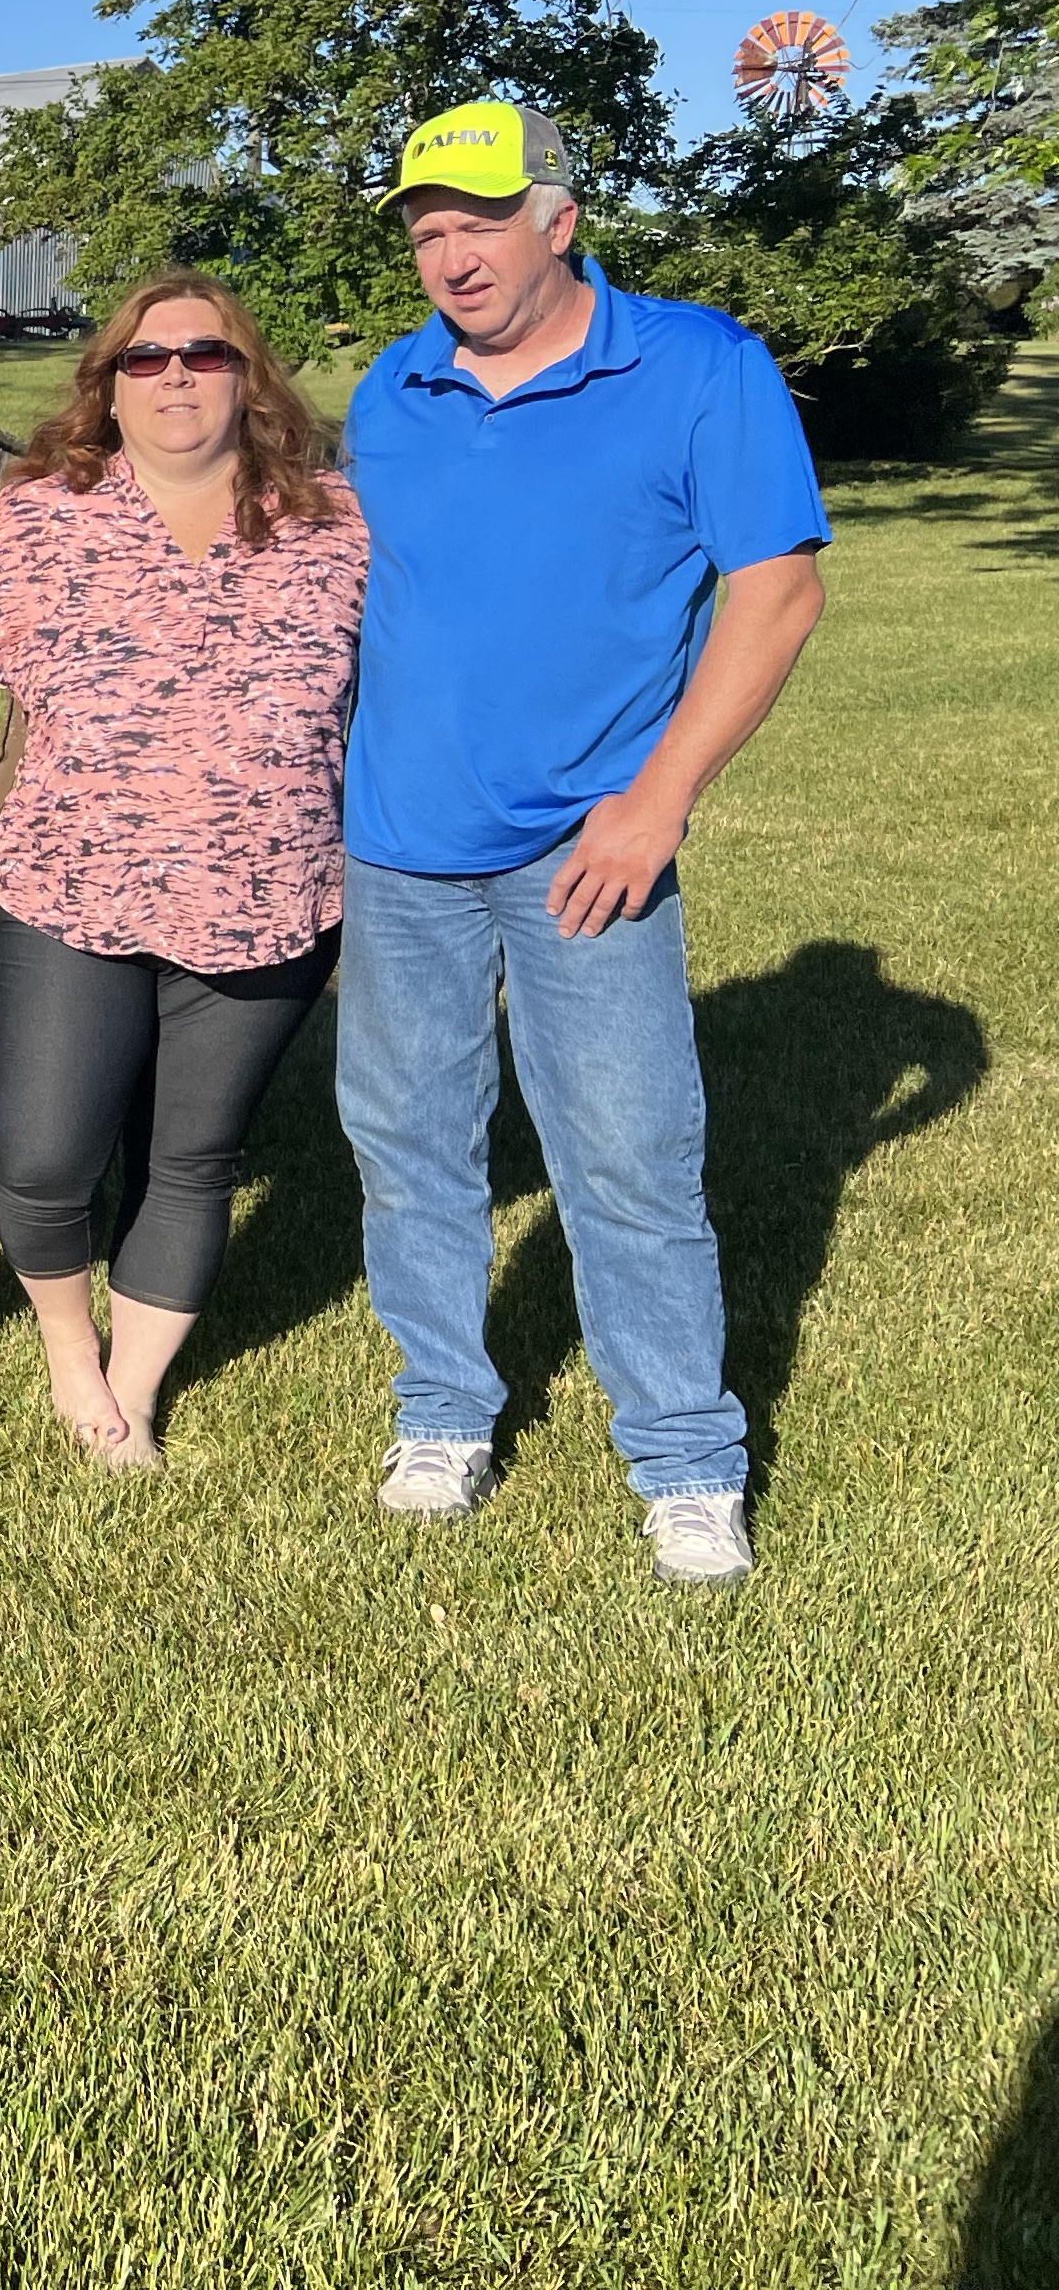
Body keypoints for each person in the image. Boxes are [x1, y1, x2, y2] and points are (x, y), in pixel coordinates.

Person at [341, 98, 825, 1585]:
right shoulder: (394, 387)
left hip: (590, 848)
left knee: (623, 1155)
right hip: (399, 845)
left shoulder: (697, 368)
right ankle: (443, 1410)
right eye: (427, 229)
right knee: (409, 1143)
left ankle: (684, 1455)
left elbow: (777, 590)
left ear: (558, 218)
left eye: (478, 219)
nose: (450, 253)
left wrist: (660, 796)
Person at [0, 274, 367, 1468]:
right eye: (147, 359)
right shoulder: (36, 526)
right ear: (109, 388)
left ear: (251, 379)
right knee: (41, 1152)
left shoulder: (338, 528)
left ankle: (125, 1397)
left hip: (267, 893)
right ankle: (67, 1344)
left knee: (193, 1155)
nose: (176, 375)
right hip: (74, 884)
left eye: (206, 353)